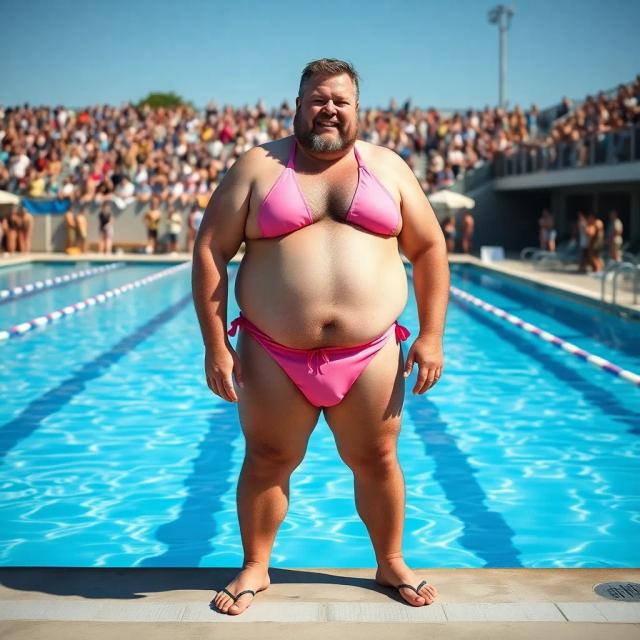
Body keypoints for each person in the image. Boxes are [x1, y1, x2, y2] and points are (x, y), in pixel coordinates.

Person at [193, 58, 446, 617]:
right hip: (273, 351)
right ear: (298, 103)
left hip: (371, 350)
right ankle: (256, 566)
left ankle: (391, 561)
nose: (328, 108)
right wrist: (215, 342)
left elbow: (429, 249)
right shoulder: (257, 167)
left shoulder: (389, 168)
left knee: (378, 458)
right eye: (318, 98)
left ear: (358, 109)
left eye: (340, 100)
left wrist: (432, 335)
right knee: (266, 457)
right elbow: (211, 249)